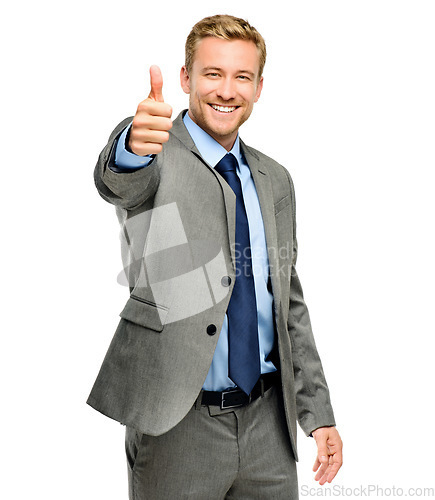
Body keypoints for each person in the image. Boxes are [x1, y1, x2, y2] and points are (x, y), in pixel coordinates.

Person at [88, 14, 343, 499]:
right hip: (178, 425)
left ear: (259, 87)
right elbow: (119, 183)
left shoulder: (275, 180)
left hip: (270, 426)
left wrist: (318, 412)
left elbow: (287, 304)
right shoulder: (155, 153)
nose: (226, 90)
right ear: (186, 79)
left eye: (241, 77)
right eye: (212, 74)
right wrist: (130, 145)